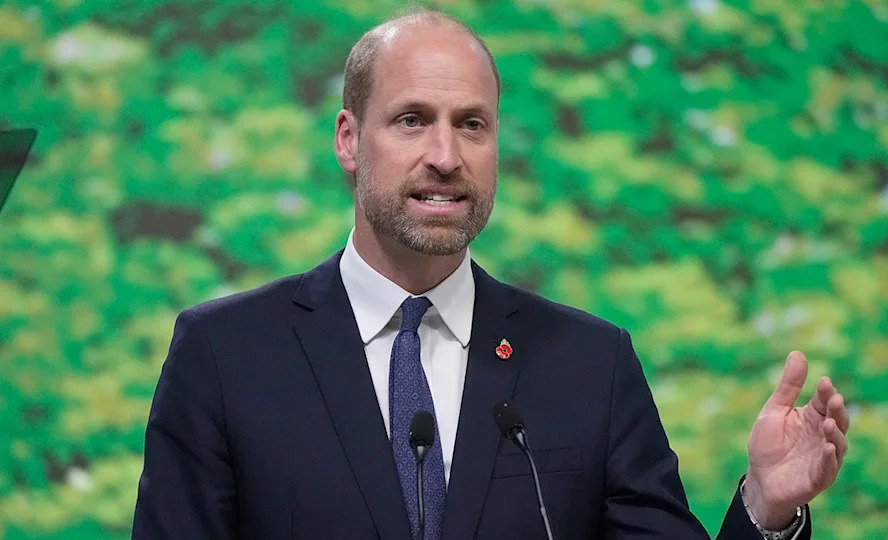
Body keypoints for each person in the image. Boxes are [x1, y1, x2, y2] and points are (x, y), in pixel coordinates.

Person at [132, 8, 850, 540]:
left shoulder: (590, 364)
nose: (446, 155)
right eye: (412, 120)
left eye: (472, 124)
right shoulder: (224, 355)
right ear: (349, 140)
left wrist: (766, 508)